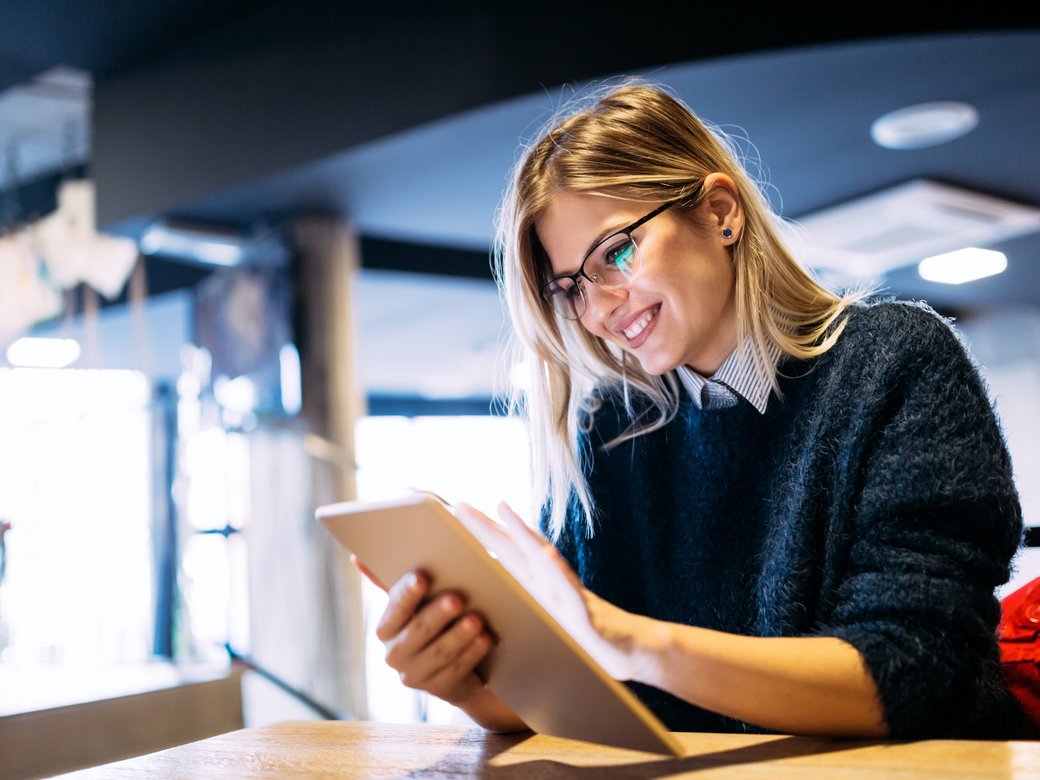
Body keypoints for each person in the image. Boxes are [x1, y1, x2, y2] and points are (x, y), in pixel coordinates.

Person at [363, 80, 1031, 739]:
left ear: (719, 213)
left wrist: (632, 642)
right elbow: (584, 700)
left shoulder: (895, 363)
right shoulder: (610, 429)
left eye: (615, 253)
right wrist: (469, 681)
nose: (597, 310)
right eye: (569, 288)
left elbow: (914, 672)